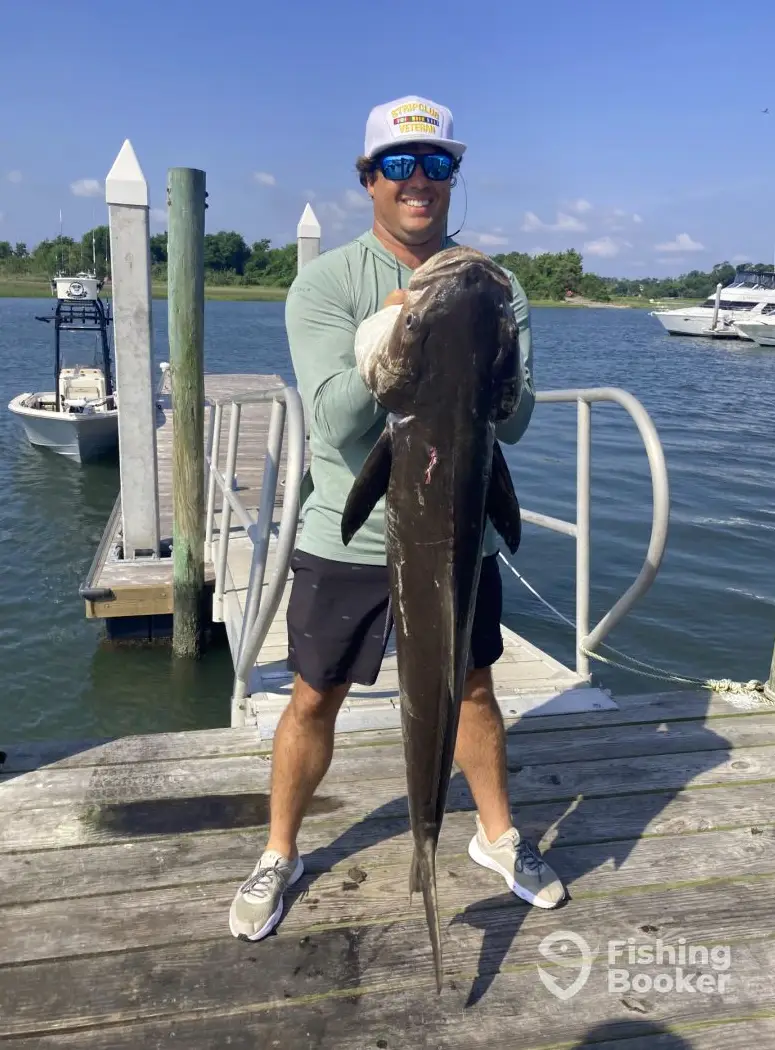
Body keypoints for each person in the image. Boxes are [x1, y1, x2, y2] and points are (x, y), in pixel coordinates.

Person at [229, 95, 566, 942]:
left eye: (439, 164)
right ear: (370, 179)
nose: (421, 181)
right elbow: (340, 423)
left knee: (475, 684)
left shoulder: (496, 282)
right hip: (351, 532)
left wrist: (499, 352)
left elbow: (512, 421)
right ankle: (280, 850)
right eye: (401, 165)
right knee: (314, 696)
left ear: (454, 176)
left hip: (461, 529)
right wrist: (398, 324)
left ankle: (497, 837)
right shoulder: (324, 283)